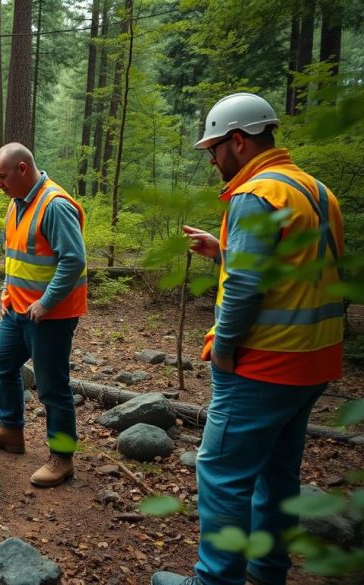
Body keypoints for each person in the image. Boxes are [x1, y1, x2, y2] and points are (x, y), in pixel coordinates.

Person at [151, 93, 344, 585]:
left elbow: (244, 286)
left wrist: (227, 347)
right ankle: (267, 571)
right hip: (314, 363)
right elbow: (292, 272)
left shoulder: (256, 194)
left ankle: (215, 580)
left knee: (221, 475)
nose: (212, 160)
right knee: (278, 476)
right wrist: (224, 251)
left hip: (265, 363)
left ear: (238, 140)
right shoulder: (315, 191)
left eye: (213, 149)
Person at [0, 142, 87, 487]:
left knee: (53, 388)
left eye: (2, 177)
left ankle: (62, 459)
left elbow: (73, 260)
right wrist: (6, 291)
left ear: (23, 169)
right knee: (1, 363)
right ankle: (11, 431)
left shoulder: (55, 205)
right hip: (17, 310)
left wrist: (47, 302)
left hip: (50, 316)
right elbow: (14, 254)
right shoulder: (16, 203)